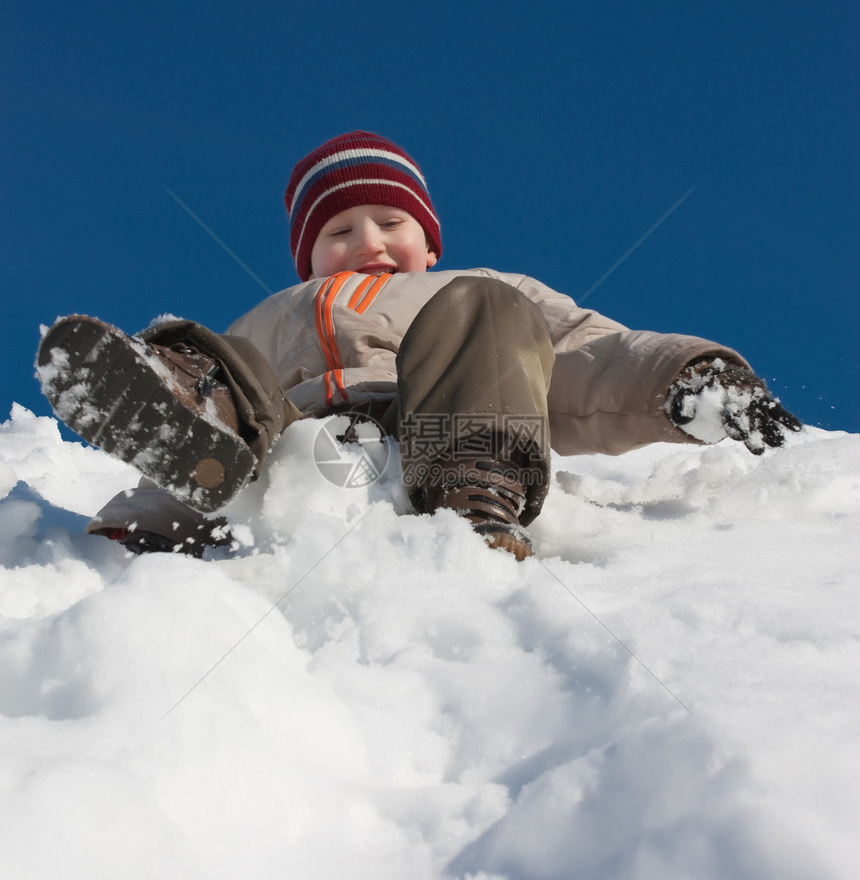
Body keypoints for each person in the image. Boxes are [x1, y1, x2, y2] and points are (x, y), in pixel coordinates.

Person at [37, 130, 802, 561]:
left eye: (389, 224)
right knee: (205, 358)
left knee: (496, 314)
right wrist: (132, 519)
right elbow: (238, 392)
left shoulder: (462, 288)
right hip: (294, 449)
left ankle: (475, 491)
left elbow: (584, 352)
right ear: (307, 256)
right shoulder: (270, 313)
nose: (366, 242)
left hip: (437, 425)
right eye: (338, 231)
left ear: (428, 241)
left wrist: (688, 379)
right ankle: (194, 483)